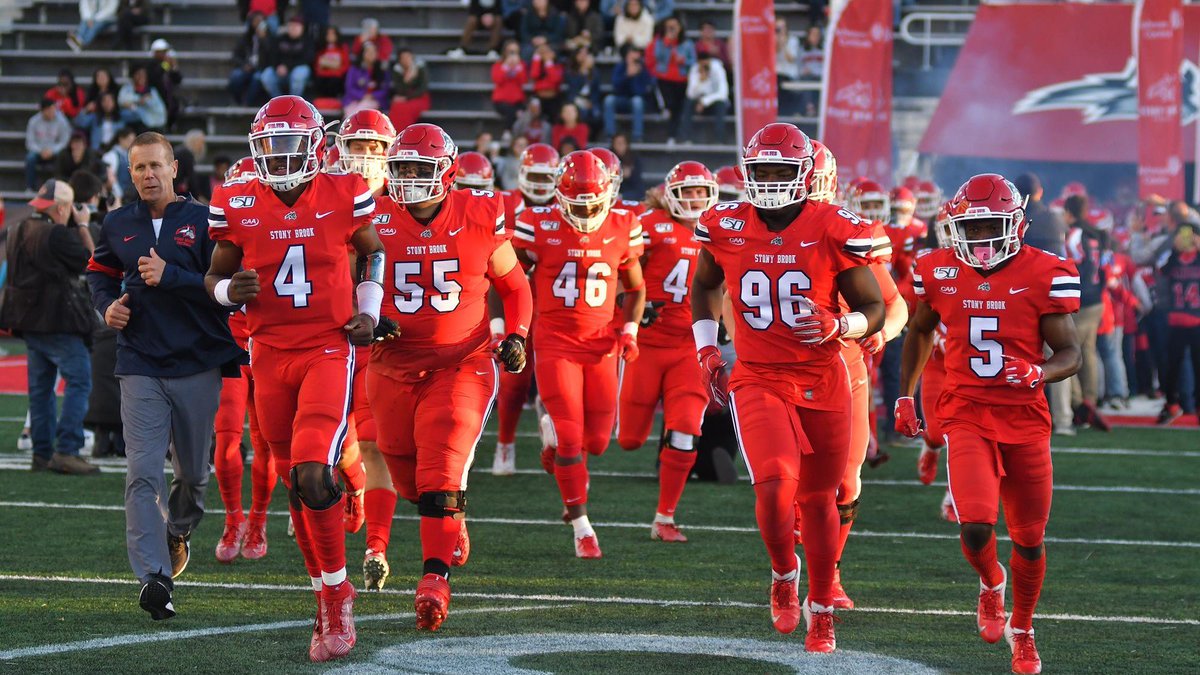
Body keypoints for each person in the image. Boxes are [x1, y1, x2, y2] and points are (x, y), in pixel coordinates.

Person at [690, 122, 885, 651]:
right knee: (775, 485)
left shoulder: (833, 226)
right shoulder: (725, 224)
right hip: (757, 375)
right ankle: (783, 572)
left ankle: (821, 607)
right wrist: (708, 347)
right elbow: (705, 284)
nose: (771, 181)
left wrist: (841, 326)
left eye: (782, 171)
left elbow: (875, 306)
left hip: (823, 376)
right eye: (762, 171)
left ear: (805, 175)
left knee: (820, 498)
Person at [205, 95, 384, 662]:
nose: (279, 159)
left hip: (328, 349)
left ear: (314, 147)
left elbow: (374, 255)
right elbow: (215, 274)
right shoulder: (236, 199)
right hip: (267, 353)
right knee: (293, 482)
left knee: (311, 472)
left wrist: (370, 311)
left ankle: (338, 596)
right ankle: (324, 590)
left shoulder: (343, 191)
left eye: (289, 146)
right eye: (269, 147)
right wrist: (226, 292)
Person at [896, 173, 1082, 675]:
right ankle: (990, 583)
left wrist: (1039, 371)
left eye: (988, 225)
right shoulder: (936, 268)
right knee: (976, 525)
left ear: (1015, 224)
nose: (978, 239)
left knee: (1029, 537)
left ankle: (1023, 629)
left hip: (1024, 416)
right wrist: (905, 395)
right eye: (969, 227)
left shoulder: (1047, 272)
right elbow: (918, 330)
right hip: (967, 411)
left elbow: (1071, 351)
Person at [370, 122, 533, 629]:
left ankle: (435, 578)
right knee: (407, 476)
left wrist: (519, 336)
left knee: (441, 465)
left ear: (448, 172)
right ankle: (448, 523)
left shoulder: (480, 214)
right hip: (390, 366)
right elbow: (342, 281)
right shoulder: (372, 216)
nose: (412, 178)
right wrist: (366, 315)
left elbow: (515, 286)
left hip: (460, 362)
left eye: (422, 168)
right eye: (403, 169)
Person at [86, 132, 245, 621]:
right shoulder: (116, 223)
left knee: (194, 475)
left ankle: (178, 531)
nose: (148, 175)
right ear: (129, 173)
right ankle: (155, 577)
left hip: (196, 361)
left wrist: (168, 275)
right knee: (142, 473)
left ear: (175, 168)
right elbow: (98, 273)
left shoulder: (205, 220)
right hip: (139, 363)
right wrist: (106, 307)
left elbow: (227, 291)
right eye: (139, 168)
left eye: (156, 166)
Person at [512, 150, 646, 558]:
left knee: (599, 441)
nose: (586, 211)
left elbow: (636, 287)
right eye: (577, 203)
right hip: (555, 341)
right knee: (572, 436)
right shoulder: (538, 224)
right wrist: (511, 329)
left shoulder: (624, 224)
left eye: (593, 202)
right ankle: (582, 526)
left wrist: (630, 330)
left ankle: (555, 447)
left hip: (602, 342)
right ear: (559, 196)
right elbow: (509, 277)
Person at [801, 142, 905, 608]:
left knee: (847, 479)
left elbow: (894, 303)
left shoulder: (846, 231)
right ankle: (786, 569)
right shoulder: (756, 229)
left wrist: (882, 333)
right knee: (787, 480)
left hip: (844, 365)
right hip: (778, 367)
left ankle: (831, 576)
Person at [616, 161, 717, 541]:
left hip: (690, 348)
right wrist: (629, 303)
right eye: (687, 191)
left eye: (700, 192)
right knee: (629, 440)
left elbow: (723, 288)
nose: (694, 199)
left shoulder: (718, 232)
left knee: (688, 429)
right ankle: (662, 432)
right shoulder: (649, 224)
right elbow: (619, 272)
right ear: (669, 193)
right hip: (648, 345)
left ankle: (665, 518)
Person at [332, 109, 398, 591]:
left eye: (375, 148)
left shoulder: (408, 200)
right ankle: (353, 489)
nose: (366, 157)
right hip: (331, 335)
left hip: (387, 339)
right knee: (336, 444)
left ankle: (377, 546)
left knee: (379, 443)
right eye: (357, 145)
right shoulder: (327, 195)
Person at [0, 179, 99, 475]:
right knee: (79, 380)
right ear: (62, 207)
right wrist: (82, 226)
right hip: (57, 320)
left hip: (26, 321)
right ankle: (67, 450)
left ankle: (41, 453)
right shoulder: (56, 233)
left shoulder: (17, 229)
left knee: (41, 389)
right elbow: (92, 263)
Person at [487, 141, 559, 474]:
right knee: (513, 381)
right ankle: (505, 443)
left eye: (548, 178)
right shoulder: (504, 203)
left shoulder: (567, 206)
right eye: (537, 176)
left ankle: (564, 446)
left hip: (553, 308)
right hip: (512, 299)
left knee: (557, 382)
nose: (543, 185)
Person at [1063, 194, 1111, 431]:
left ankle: (1080, 404)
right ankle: (1090, 399)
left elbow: (1069, 262)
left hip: (1080, 299)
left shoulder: (1074, 234)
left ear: (1069, 212)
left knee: (1065, 351)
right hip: (1097, 299)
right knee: (1088, 351)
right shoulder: (1098, 234)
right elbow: (1104, 267)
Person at [1157, 222, 1200, 425]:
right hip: (1175, 320)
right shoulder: (1173, 259)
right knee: (1171, 366)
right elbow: (1161, 269)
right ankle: (1172, 404)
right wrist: (1174, 248)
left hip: (1197, 320)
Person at [646, 15, 694, 144]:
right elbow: (658, 57)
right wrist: (668, 42)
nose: (672, 29)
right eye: (669, 27)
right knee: (671, 106)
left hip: (682, 80)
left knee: (679, 109)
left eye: (675, 26)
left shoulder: (688, 43)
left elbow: (692, 61)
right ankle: (670, 134)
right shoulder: (660, 42)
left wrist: (683, 60)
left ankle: (676, 136)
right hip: (664, 78)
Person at [603, 48, 653, 142]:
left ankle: (637, 136)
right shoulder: (620, 67)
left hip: (635, 100)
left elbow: (641, 92)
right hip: (620, 99)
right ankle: (611, 135)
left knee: (637, 101)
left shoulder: (643, 70)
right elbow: (616, 86)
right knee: (609, 100)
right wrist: (627, 75)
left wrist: (634, 76)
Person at [678, 52, 728, 142]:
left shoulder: (718, 69)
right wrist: (699, 81)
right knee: (688, 103)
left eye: (706, 64)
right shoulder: (695, 69)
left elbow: (723, 93)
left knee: (721, 105)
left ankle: (719, 140)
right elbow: (690, 94)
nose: (704, 67)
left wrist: (704, 101)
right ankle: (686, 139)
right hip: (698, 102)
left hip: (714, 101)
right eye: (702, 64)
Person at [25, 99, 73, 191]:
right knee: (30, 158)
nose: (52, 112)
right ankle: (30, 187)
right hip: (38, 152)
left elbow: (64, 141)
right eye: (49, 110)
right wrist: (41, 151)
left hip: (55, 152)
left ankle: (58, 188)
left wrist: (52, 151)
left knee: (63, 157)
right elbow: (30, 142)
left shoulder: (62, 121)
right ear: (43, 110)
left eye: (54, 109)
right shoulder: (33, 121)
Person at [262, 16, 315, 100]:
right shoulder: (279, 39)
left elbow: (307, 59)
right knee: (267, 75)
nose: (293, 28)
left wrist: (288, 66)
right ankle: (279, 101)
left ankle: (294, 102)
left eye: (296, 26)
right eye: (291, 26)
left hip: (297, 70)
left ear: (302, 28)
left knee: (300, 72)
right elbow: (272, 56)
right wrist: (277, 66)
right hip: (280, 71)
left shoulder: (307, 41)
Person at [229, 13, 274, 105]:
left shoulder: (270, 38)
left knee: (257, 78)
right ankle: (237, 101)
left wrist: (263, 39)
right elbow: (235, 56)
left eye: (261, 22)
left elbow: (272, 55)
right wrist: (244, 65)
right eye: (256, 21)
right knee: (235, 76)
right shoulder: (245, 38)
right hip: (246, 66)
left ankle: (247, 104)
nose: (258, 24)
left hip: (262, 68)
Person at [342, 41, 390, 116]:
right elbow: (349, 88)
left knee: (365, 106)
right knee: (351, 108)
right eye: (368, 52)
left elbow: (384, 89)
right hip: (354, 99)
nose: (371, 54)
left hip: (375, 100)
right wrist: (362, 95)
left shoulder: (381, 70)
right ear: (362, 53)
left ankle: (346, 123)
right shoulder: (354, 69)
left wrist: (372, 96)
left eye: (374, 51)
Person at [387, 48, 430, 130]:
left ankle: (406, 133)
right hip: (403, 97)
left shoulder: (420, 68)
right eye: (403, 58)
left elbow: (423, 88)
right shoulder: (397, 70)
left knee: (406, 109)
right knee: (396, 106)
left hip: (419, 97)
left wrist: (407, 98)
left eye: (408, 57)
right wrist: (406, 79)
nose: (406, 60)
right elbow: (399, 89)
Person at [491, 40, 528, 132]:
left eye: (515, 52)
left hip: (517, 101)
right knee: (511, 111)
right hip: (501, 101)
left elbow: (523, 81)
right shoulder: (498, 65)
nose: (512, 55)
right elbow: (498, 80)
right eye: (510, 52)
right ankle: (507, 131)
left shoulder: (521, 65)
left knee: (523, 113)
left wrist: (517, 67)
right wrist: (506, 66)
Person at [564, 47, 603, 133]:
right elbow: (574, 89)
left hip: (591, 101)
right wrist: (582, 71)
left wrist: (587, 72)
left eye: (586, 54)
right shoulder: (571, 71)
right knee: (583, 112)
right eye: (581, 54)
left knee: (597, 114)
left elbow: (596, 91)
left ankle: (593, 136)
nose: (584, 56)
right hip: (576, 99)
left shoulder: (595, 72)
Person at [145, 39, 183, 127]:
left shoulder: (167, 65)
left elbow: (178, 79)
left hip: (168, 97)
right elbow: (155, 77)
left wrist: (174, 67)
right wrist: (166, 64)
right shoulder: (151, 65)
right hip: (155, 97)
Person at [119, 64, 167, 131]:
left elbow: (160, 111)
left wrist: (145, 102)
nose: (141, 77)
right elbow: (122, 101)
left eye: (143, 74)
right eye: (138, 74)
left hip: (151, 124)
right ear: (133, 75)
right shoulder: (127, 89)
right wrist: (138, 100)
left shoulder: (152, 91)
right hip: (133, 124)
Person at [529, 42, 565, 122]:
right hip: (539, 98)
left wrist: (548, 62)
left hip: (553, 100)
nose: (544, 54)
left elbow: (555, 79)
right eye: (542, 52)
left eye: (547, 52)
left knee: (554, 120)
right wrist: (536, 58)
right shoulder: (537, 65)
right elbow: (534, 75)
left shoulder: (558, 66)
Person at [313, 26, 350, 100]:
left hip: (336, 76)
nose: (330, 36)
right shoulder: (321, 49)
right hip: (323, 76)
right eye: (328, 34)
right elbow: (317, 65)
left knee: (334, 81)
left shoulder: (342, 48)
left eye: (332, 34)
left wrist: (337, 70)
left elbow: (346, 65)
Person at [103, 126, 137, 204]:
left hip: (128, 197)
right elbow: (111, 178)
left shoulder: (128, 155)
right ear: (121, 139)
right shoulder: (111, 155)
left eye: (133, 140)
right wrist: (119, 195)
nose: (131, 143)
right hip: (118, 197)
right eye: (129, 140)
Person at [611, 132, 642, 200]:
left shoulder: (634, 159)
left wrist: (630, 175)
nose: (619, 146)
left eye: (621, 143)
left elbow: (638, 186)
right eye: (617, 143)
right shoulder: (609, 159)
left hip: (628, 193)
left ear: (627, 144)